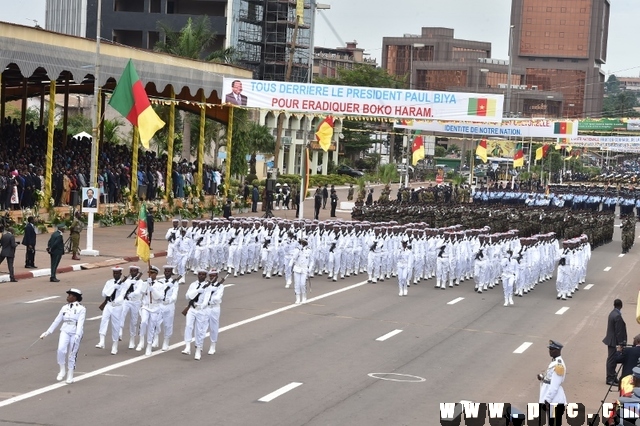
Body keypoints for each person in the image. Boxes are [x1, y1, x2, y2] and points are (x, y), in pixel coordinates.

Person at [39, 288, 86, 384]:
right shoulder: (64, 307)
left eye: (70, 295)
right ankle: (62, 369)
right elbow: (57, 320)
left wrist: (78, 335)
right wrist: (47, 332)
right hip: (65, 330)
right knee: (60, 349)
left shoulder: (81, 309)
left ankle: (70, 375)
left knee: (72, 354)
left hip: (75, 331)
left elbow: (80, 323)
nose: (68, 297)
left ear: (75, 297)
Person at [97, 267, 126, 354]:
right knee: (103, 321)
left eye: (117, 273)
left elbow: (122, 296)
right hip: (108, 305)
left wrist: (118, 288)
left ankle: (115, 345)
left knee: (115, 326)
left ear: (120, 274)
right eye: (114, 273)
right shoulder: (109, 282)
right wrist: (113, 287)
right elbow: (104, 294)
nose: (116, 275)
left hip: (117, 306)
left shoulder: (124, 284)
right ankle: (101, 341)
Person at [537, 340, 567, 425]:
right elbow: (550, 378)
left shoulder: (558, 365)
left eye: (552, 349)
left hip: (554, 400)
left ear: (558, 351)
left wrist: (547, 400)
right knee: (551, 423)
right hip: (551, 400)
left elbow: (555, 385)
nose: (550, 351)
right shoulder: (554, 362)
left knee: (553, 423)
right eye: (549, 349)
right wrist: (542, 378)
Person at [603, 299, 628, 386]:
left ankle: (613, 376)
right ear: (621, 306)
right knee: (612, 359)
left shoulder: (612, 313)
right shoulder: (617, 315)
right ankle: (610, 378)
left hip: (611, 340)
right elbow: (619, 331)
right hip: (614, 341)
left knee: (612, 359)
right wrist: (621, 343)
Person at [204, 269, 226, 356]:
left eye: (214, 275)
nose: (212, 277)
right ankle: (200, 345)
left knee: (213, 327)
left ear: (217, 276)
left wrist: (211, 291)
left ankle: (213, 345)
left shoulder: (220, 286)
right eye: (211, 276)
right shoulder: (206, 285)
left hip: (214, 308)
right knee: (202, 326)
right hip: (206, 307)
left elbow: (217, 298)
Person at [158, 265, 180, 351]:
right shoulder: (160, 281)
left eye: (168, 271)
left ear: (171, 273)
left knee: (168, 324)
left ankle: (166, 341)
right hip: (160, 304)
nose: (167, 273)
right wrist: (166, 286)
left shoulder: (175, 283)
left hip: (169, 305)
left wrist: (169, 300)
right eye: (166, 271)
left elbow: (175, 295)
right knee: (155, 322)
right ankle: (155, 337)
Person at [289, 239, 312, 304]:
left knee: (302, 284)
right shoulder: (297, 249)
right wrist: (298, 251)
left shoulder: (309, 250)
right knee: (297, 284)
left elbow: (312, 260)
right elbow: (293, 258)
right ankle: (297, 298)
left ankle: (304, 296)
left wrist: (309, 269)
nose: (302, 244)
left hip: (304, 269)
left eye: (304, 243)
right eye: (301, 243)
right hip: (297, 268)